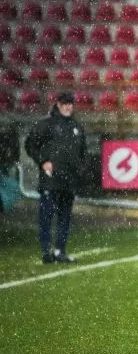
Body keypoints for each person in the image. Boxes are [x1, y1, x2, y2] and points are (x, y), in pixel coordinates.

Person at [24, 92, 86, 264]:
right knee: (46, 215)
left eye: (70, 103)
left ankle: (60, 251)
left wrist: (79, 171)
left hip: (69, 181)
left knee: (65, 217)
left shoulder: (77, 127)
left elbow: (83, 153)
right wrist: (43, 161)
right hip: (50, 180)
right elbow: (30, 144)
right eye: (64, 103)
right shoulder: (46, 124)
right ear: (58, 105)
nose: (68, 107)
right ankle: (46, 251)